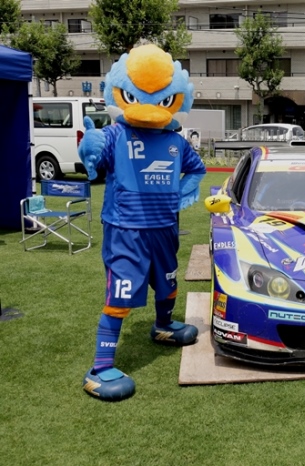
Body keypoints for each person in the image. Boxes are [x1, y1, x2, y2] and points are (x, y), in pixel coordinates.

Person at [79, 44, 206, 401]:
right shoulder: (116, 135)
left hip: (164, 228)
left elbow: (197, 169)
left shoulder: (175, 142)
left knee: (167, 284)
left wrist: (181, 194)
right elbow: (94, 157)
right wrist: (89, 148)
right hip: (126, 230)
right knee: (120, 295)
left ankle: (163, 326)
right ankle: (100, 368)